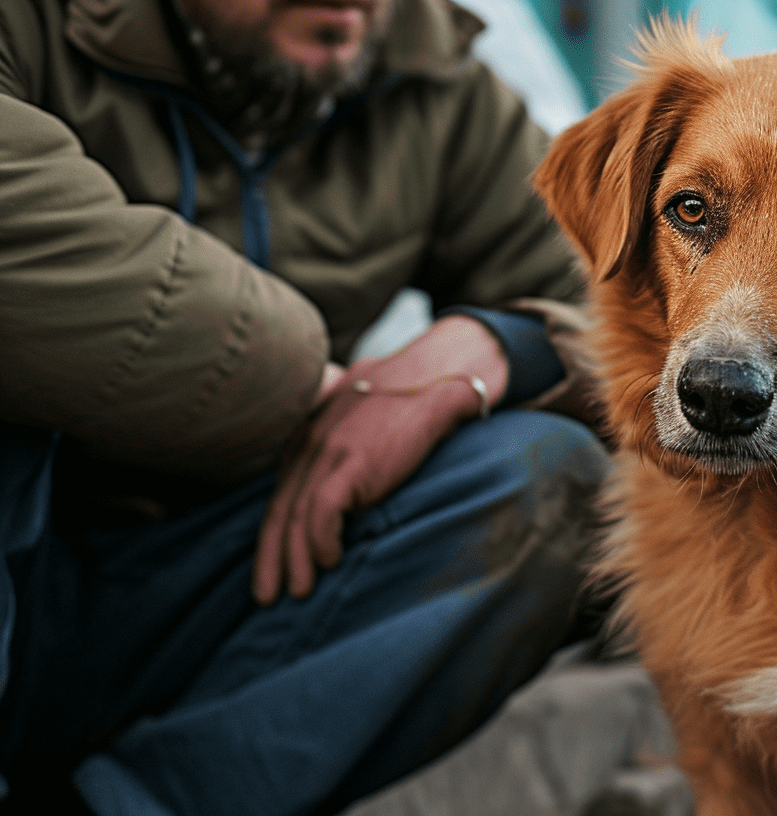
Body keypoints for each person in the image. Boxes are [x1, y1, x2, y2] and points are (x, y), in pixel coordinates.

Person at [0, 0, 610, 813]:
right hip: (28, 552)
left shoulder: (432, 81)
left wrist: (501, 347)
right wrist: (313, 388)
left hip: (221, 571)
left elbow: (640, 308)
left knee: (540, 476)